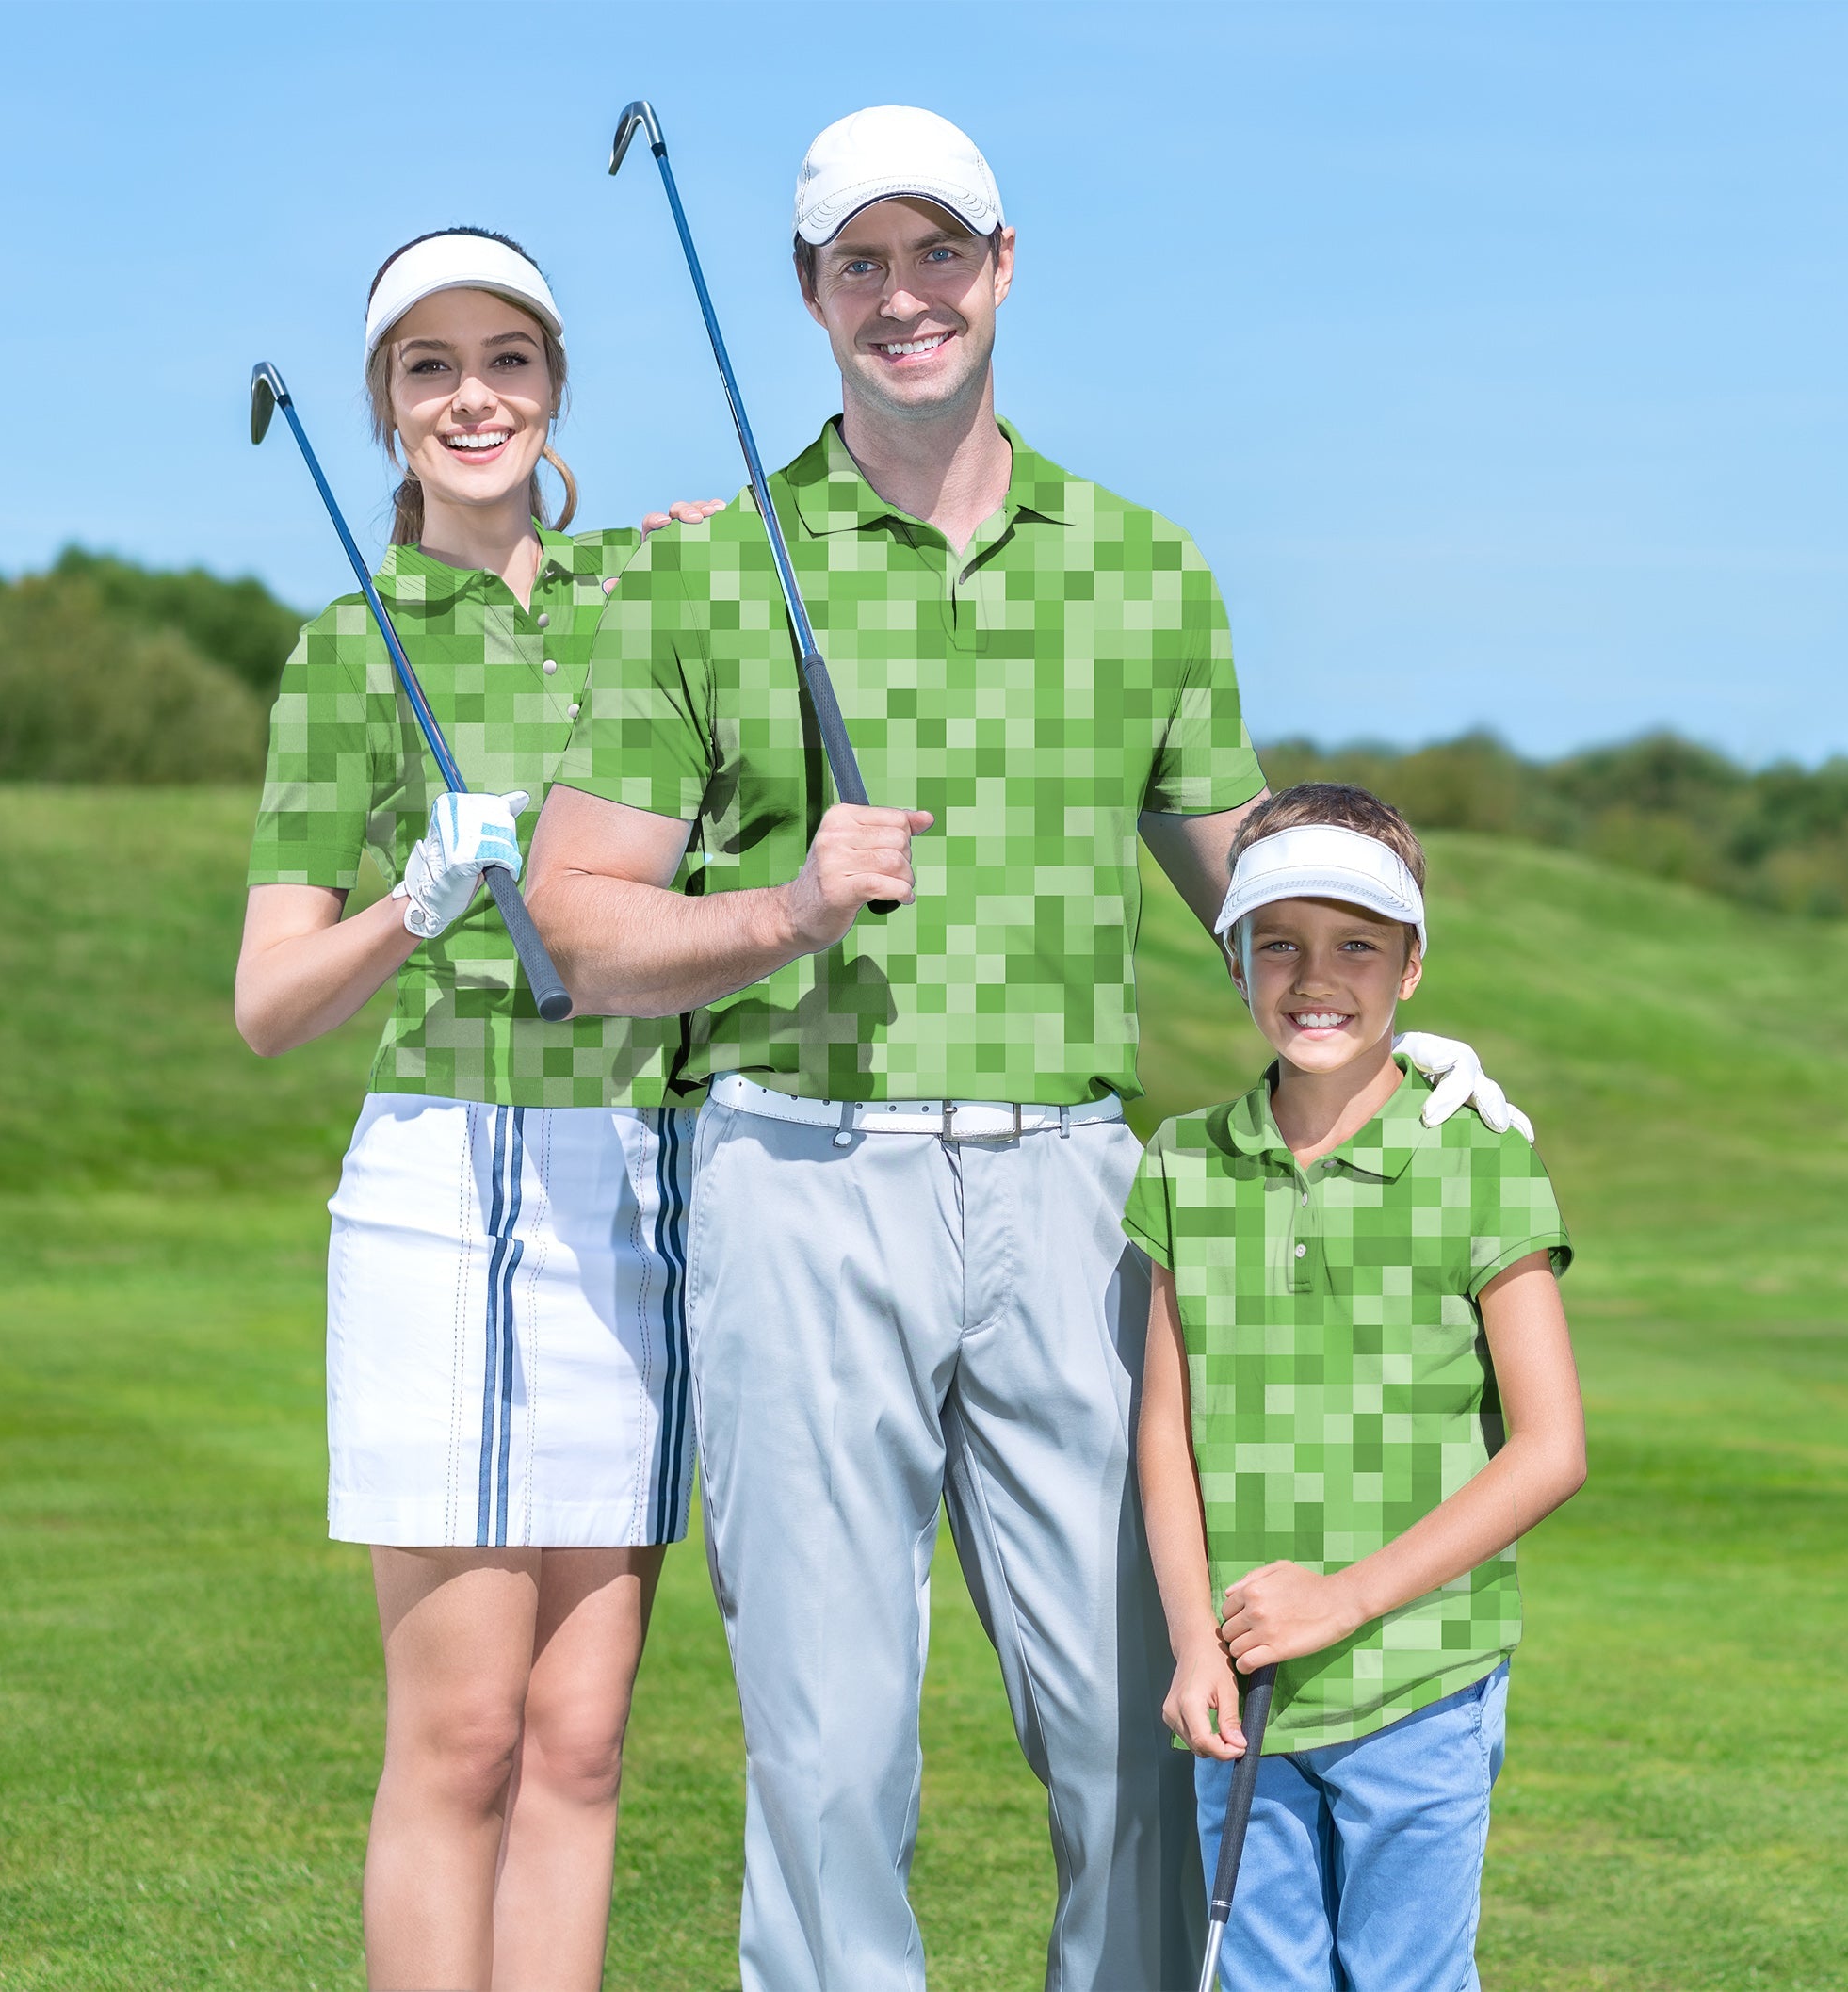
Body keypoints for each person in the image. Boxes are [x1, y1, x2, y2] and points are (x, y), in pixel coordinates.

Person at [526, 109, 1521, 1991]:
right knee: (829, 1752)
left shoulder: (1144, 572)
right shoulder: (709, 570)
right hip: (794, 1168)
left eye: (938, 253)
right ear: (810, 295)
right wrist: (774, 916)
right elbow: (577, 922)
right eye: (859, 263)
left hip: (1077, 1195)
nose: (904, 297)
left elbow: (1249, 884)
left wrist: (1397, 1015)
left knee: (1145, 1719)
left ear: (1002, 264)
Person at [235, 227, 721, 1992]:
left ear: (555, 387)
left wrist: (704, 561)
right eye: (429, 367)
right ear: (384, 407)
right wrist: (414, 905)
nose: (473, 397)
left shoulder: (655, 600)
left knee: (583, 1739)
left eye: (505, 360)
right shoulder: (345, 652)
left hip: (630, 1183)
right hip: (443, 1182)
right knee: (462, 1740)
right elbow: (269, 1002)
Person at [1127, 783, 1587, 1992]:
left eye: (1356, 946)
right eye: (1277, 941)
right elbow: (1163, 1431)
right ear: (1233, 958)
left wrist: (1344, 1600)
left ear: (1411, 968)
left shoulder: (1480, 1158)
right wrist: (1191, 1643)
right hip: (1242, 1679)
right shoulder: (1184, 1162)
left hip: (1421, 1674)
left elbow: (1550, 1448)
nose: (1313, 975)